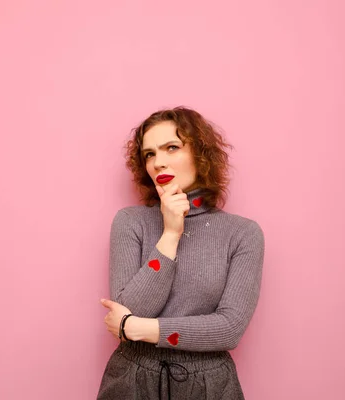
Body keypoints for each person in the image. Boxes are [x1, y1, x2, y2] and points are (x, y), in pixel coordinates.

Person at [97, 106, 265, 399]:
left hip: (209, 385)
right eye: (150, 154)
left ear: (200, 155)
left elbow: (229, 329)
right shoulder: (130, 222)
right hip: (132, 380)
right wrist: (170, 234)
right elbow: (132, 308)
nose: (158, 163)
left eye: (171, 148)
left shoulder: (243, 234)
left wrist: (138, 328)